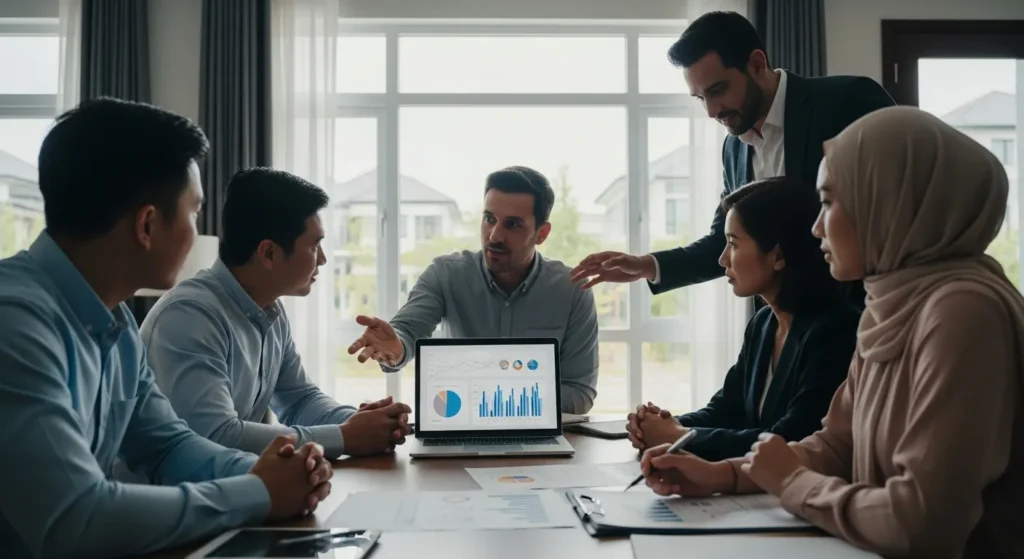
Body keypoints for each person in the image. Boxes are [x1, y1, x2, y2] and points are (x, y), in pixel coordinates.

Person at [639, 106, 1024, 558]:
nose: (817, 227)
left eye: (828, 202)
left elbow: (923, 521)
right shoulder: (892, 302)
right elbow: (836, 446)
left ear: (887, 202)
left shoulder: (962, 309)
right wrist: (723, 475)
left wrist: (792, 483)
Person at [0, 98, 333, 559]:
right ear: (148, 224)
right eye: (194, 213)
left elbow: (167, 447)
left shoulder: (113, 322)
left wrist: (278, 470)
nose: (200, 234)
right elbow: (75, 519)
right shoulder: (14, 322)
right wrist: (257, 493)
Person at [570, 10, 894, 310]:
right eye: (700, 98)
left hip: (860, 322)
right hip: (778, 330)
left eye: (718, 90)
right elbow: (724, 243)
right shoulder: (733, 149)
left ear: (756, 64)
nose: (711, 111)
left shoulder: (848, 101)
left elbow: (898, 215)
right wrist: (648, 265)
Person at [141, 167, 412, 460]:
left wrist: (362, 422)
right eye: (315, 246)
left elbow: (299, 400)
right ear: (269, 253)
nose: (322, 259)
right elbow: (215, 436)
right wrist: (346, 436)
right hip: (163, 501)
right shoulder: (189, 317)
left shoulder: (270, 310)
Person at [626, 177, 858, 461]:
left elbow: (789, 438)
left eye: (733, 244)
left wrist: (678, 437)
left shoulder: (836, 330)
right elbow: (726, 410)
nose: (723, 259)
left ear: (778, 255)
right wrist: (662, 425)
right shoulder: (763, 323)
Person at [347, 166, 600, 413]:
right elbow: (407, 331)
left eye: (512, 225)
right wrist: (396, 347)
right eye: (489, 219)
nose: (494, 236)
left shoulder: (573, 290)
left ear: (541, 233)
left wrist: (478, 392)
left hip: (535, 434)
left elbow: (580, 394)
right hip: (459, 420)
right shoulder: (445, 274)